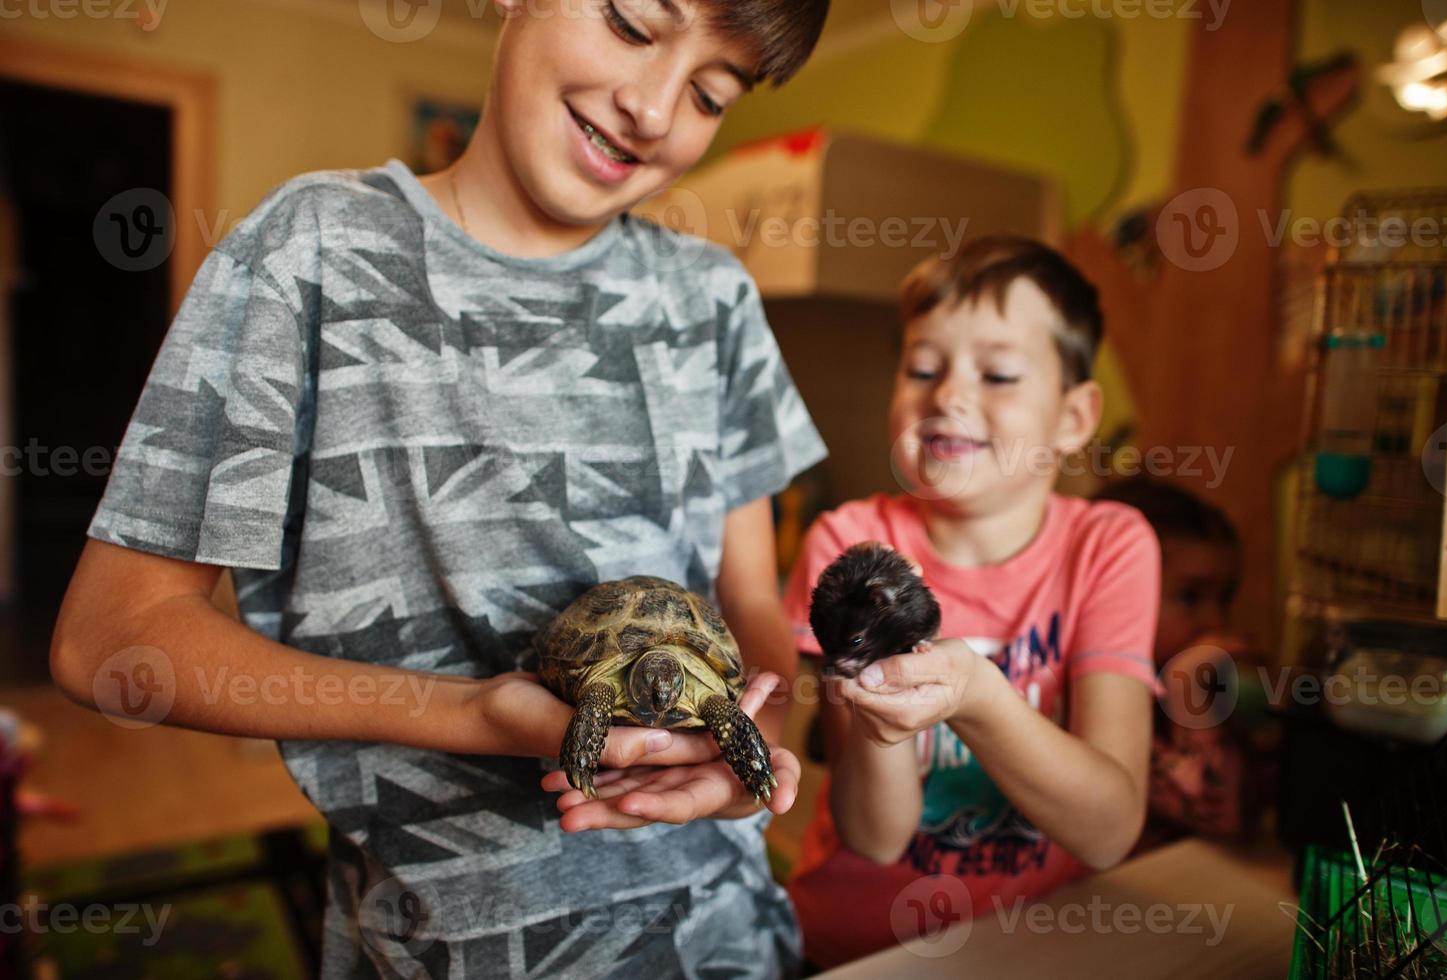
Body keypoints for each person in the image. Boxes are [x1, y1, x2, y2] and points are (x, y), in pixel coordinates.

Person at [49, 1, 830, 976]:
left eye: (712, 94)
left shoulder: (714, 300)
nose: (654, 107)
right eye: (632, 24)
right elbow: (110, 635)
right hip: (439, 941)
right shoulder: (311, 252)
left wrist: (752, 736)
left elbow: (753, 599)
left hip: (725, 933)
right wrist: (467, 713)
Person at [780, 236, 1161, 969]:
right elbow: (875, 835)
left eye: (998, 373)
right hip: (861, 951)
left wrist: (978, 697)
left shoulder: (1109, 547)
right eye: (922, 368)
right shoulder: (850, 541)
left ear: (1074, 418)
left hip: (1036, 950)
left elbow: (1109, 829)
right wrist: (886, 727)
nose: (948, 395)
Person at [1093, 475, 1275, 847]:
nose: (1215, 621)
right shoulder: (1095, 705)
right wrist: (1185, 687)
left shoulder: (1214, 686)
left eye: (1224, 599)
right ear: (1106, 592)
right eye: (1191, 597)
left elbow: (1255, 815)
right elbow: (1221, 818)